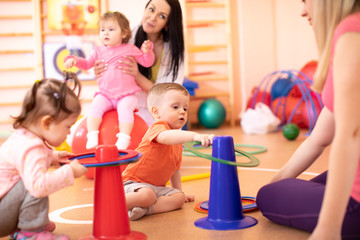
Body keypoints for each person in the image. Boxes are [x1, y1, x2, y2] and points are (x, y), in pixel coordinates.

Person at [256, 1, 360, 239]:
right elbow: (319, 139)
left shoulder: (351, 34)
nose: (302, 11)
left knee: (266, 197)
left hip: (356, 208)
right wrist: (275, 182)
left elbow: (350, 136)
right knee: (280, 188)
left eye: (305, 1)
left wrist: (328, 228)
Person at [0, 72, 88, 240]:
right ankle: (30, 233)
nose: (69, 132)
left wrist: (54, 156)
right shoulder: (31, 147)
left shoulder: (24, 136)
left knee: (31, 178)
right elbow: (38, 187)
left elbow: (28, 159)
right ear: (46, 123)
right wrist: (70, 172)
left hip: (4, 209)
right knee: (35, 182)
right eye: (67, 126)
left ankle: (31, 222)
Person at [122, 83, 214, 221]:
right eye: (175, 107)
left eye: (185, 108)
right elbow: (165, 137)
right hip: (133, 183)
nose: (182, 111)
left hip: (156, 188)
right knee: (148, 196)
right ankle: (114, 203)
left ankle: (146, 210)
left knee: (179, 199)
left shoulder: (177, 142)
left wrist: (179, 192)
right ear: (156, 112)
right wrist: (195, 136)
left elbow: (175, 171)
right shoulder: (158, 128)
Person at [65, 11, 155, 150]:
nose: (105, 33)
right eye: (102, 30)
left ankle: (124, 137)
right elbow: (86, 63)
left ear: (124, 33)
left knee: (125, 109)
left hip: (126, 95)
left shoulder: (130, 49)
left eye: (111, 29)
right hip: (105, 95)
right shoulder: (99, 51)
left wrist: (147, 51)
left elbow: (146, 62)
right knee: (95, 108)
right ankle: (92, 135)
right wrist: (74, 60)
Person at [94, 0, 185, 126]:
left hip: (156, 112)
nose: (152, 18)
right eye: (151, 9)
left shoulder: (174, 50)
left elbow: (169, 94)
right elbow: (102, 60)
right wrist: (99, 70)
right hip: (124, 107)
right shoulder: (125, 37)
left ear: (167, 24)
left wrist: (136, 75)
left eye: (161, 16)